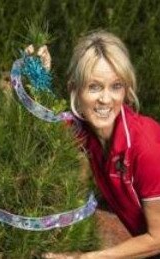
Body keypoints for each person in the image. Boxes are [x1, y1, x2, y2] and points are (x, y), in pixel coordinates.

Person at [34, 31, 160, 258]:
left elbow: (157, 239)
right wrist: (37, 78)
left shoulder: (146, 148)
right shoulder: (86, 130)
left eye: (116, 86)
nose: (105, 99)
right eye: (94, 87)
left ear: (126, 91)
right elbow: (42, 129)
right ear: (75, 89)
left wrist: (88, 257)